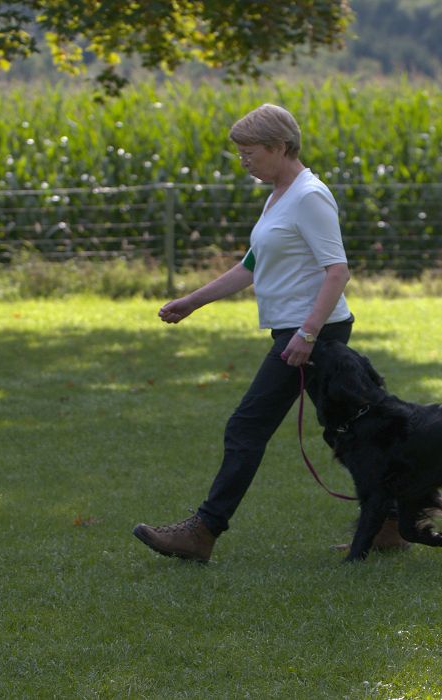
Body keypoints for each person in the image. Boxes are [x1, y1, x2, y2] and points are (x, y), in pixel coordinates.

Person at [132, 103, 403, 562]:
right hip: (300, 332)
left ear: (280, 147)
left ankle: (203, 532)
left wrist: (308, 335)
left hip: (313, 335)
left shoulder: (309, 196)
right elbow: (251, 266)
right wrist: (192, 302)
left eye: (250, 152)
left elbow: (337, 271)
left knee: (247, 425)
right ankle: (394, 522)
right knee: (350, 432)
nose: (244, 161)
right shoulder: (279, 193)